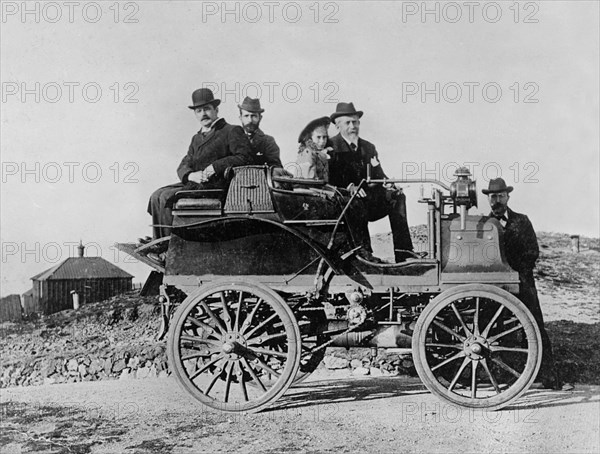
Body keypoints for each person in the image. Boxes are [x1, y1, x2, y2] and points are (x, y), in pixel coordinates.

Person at [144, 88, 252, 263]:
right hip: (195, 183)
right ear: (195, 114)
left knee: (165, 197)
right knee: (157, 195)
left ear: (216, 109)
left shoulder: (231, 131)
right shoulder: (196, 138)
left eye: (207, 109)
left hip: (216, 186)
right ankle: (161, 241)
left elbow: (245, 156)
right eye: (198, 110)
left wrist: (215, 167)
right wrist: (190, 175)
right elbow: (184, 163)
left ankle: (167, 251)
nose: (203, 114)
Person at [483, 178, 562, 389]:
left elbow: (532, 251)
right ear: (488, 199)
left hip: (523, 281)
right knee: (498, 330)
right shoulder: (483, 224)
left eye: (500, 195)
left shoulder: (522, 221)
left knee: (535, 326)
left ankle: (549, 378)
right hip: (495, 286)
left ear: (508, 197)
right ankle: (509, 379)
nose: (497, 200)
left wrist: (517, 271)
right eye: (493, 196)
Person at [327, 102, 414, 262]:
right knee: (355, 202)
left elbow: (379, 175)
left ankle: (404, 253)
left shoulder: (369, 147)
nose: (353, 126)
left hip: (369, 203)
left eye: (355, 122)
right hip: (344, 205)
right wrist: (349, 188)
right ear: (338, 126)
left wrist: (389, 184)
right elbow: (328, 180)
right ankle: (365, 255)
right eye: (348, 122)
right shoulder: (331, 147)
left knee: (397, 197)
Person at [238, 97, 282, 167]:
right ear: (240, 118)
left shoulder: (268, 141)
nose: (250, 120)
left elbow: (275, 166)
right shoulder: (234, 139)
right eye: (246, 116)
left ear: (260, 118)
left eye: (254, 116)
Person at [296, 116, 332, 180]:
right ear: (310, 138)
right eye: (318, 137)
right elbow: (308, 181)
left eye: (324, 137)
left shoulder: (320, 152)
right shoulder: (308, 153)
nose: (322, 141)